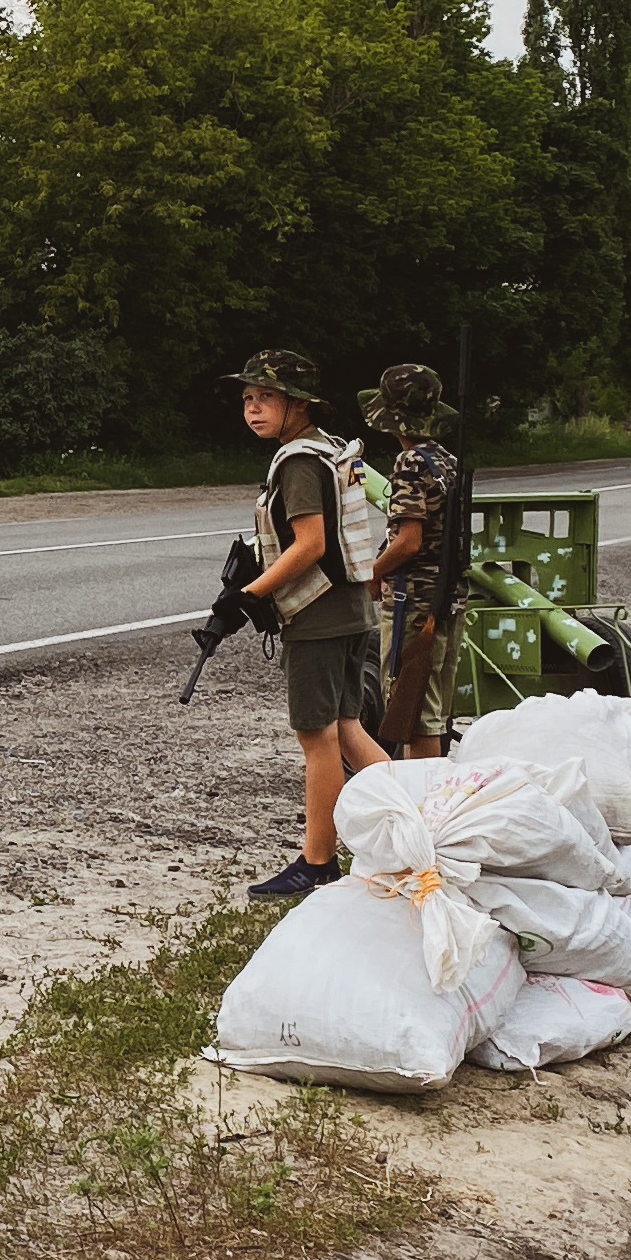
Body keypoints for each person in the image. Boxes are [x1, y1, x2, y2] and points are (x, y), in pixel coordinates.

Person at [215, 350, 388, 899]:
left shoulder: (297, 462)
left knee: (318, 741)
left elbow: (310, 544)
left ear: (298, 404)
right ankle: (416, 821)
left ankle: (317, 863)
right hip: (352, 609)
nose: (253, 408)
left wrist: (247, 595)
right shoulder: (330, 449)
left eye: (266, 397)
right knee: (350, 731)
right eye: (247, 398)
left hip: (319, 617)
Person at [360, 362, 465, 759]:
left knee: (411, 706)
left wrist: (372, 574)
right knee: (432, 705)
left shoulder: (410, 464)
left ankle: (420, 802)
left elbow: (408, 541)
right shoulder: (446, 460)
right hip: (447, 592)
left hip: (414, 596)